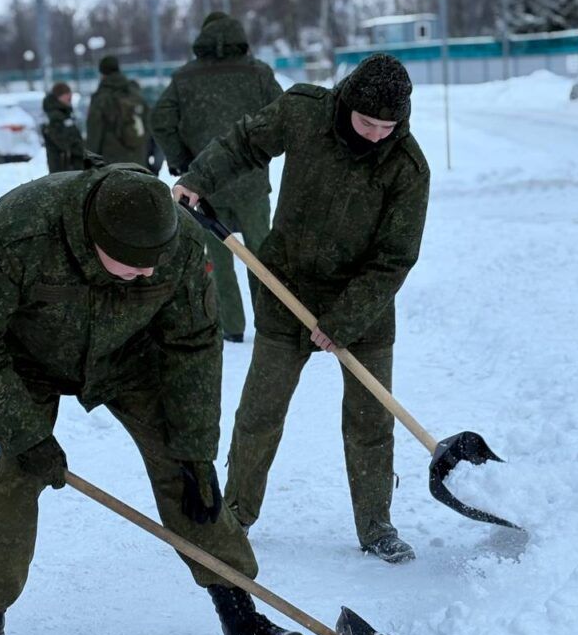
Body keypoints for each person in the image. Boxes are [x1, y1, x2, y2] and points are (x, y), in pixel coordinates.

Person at [0, 163, 308, 635]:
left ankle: (242, 617)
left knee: (188, 476)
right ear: (95, 243)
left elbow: (193, 343)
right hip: (27, 357)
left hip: (129, 357)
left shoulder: (178, 242)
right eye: (134, 266)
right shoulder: (23, 231)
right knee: (17, 476)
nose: (149, 274)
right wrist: (26, 435)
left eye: (155, 264)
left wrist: (197, 449)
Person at [173, 53, 430, 564]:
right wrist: (198, 178)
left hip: (363, 305)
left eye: (388, 127)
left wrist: (343, 321)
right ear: (347, 103)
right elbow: (245, 142)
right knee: (260, 411)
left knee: (370, 419)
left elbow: (395, 258)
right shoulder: (304, 111)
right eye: (367, 123)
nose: (377, 135)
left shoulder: (406, 166)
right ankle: (236, 515)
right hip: (285, 284)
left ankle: (376, 525)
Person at [151, 12, 282, 343]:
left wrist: (182, 162)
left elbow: (161, 120)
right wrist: (265, 150)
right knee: (260, 255)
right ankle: (269, 325)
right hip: (252, 180)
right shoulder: (258, 72)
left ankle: (231, 326)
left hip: (205, 186)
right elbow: (282, 115)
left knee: (219, 259)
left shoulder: (184, 78)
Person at [86, 55, 149, 167]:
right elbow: (148, 124)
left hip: (112, 160)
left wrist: (90, 160)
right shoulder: (134, 93)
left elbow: (94, 131)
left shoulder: (101, 97)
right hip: (138, 156)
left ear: (102, 73)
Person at [42, 81, 85, 173]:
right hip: (63, 165)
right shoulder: (55, 116)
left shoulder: (65, 113)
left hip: (69, 164)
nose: (70, 96)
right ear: (60, 96)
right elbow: (62, 141)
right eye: (67, 94)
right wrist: (81, 150)